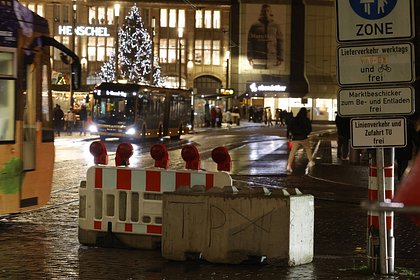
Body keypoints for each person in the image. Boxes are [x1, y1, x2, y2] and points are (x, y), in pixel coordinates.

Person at [247, 4, 283, 69]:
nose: (266, 12)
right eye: (264, 11)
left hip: (272, 59)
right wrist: (250, 58)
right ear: (261, 12)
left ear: (270, 12)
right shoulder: (254, 26)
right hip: (258, 59)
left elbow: (280, 42)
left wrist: (280, 58)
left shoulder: (276, 26)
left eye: (268, 10)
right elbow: (250, 43)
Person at [286, 107, 314, 174]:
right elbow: (309, 129)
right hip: (303, 137)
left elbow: (290, 127)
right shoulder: (306, 120)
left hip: (295, 138)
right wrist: (306, 133)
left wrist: (292, 133)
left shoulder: (295, 119)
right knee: (307, 148)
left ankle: (289, 165)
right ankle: (310, 161)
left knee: (292, 151)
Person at [395, 117, 420, 181]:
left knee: (400, 163)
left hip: (398, 149)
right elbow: (415, 139)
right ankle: (401, 178)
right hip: (406, 150)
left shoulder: (396, 127)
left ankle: (400, 177)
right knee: (404, 164)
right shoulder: (410, 128)